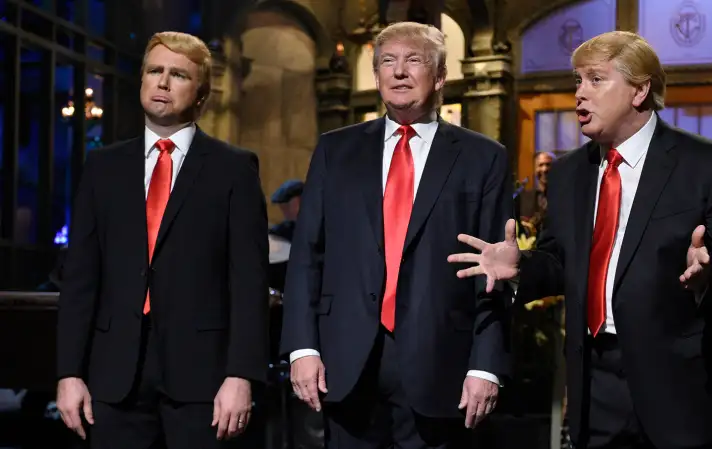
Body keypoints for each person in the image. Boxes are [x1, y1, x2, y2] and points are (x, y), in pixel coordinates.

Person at [448, 31, 712, 449]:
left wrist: (710, 274)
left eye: (595, 80)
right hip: (595, 388)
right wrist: (522, 267)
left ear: (639, 90)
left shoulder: (709, 165)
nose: (579, 94)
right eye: (577, 81)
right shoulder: (566, 175)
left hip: (684, 389)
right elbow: (562, 261)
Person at [280, 21, 513, 449]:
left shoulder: (484, 159)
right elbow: (306, 257)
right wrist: (301, 349)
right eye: (387, 61)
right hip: (345, 361)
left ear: (441, 77)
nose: (399, 72)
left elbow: (493, 272)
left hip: (441, 363)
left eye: (414, 60)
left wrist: (486, 366)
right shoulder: (336, 150)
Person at [55, 31, 271, 449]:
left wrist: (241, 375)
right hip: (114, 375)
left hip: (203, 380)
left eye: (178, 74)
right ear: (141, 81)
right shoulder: (103, 167)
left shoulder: (234, 169)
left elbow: (248, 282)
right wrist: (69, 373)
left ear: (202, 95)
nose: (163, 82)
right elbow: (80, 279)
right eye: (155, 71)